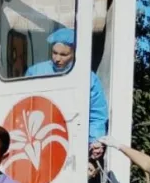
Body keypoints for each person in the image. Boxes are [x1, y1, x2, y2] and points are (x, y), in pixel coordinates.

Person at [26, 28, 109, 160]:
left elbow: (97, 114)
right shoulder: (35, 72)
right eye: (54, 53)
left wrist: (95, 141)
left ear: (75, 54)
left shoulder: (88, 79)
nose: (57, 59)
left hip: (73, 140)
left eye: (64, 55)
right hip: (38, 139)